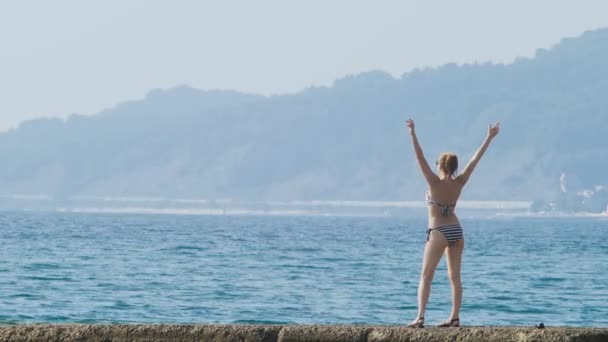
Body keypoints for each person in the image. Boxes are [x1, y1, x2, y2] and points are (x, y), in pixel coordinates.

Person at [405, 118, 500, 328]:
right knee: (455, 277)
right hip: (456, 230)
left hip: (438, 230)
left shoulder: (434, 182)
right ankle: (455, 318)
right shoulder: (460, 181)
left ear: (440, 165)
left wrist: (412, 134)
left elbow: (419, 157)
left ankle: (420, 317)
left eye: (437, 163)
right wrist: (489, 138)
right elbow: (476, 159)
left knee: (426, 275)